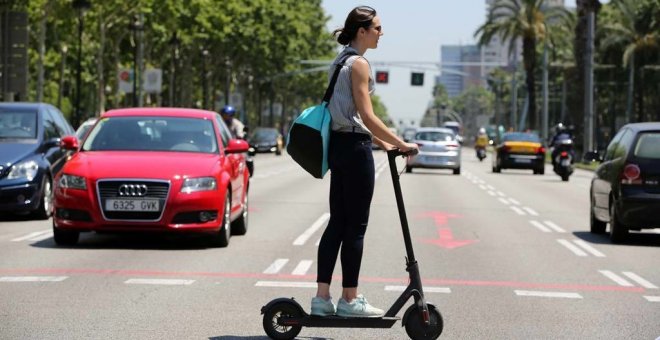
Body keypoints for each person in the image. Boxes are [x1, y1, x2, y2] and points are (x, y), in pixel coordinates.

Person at [311, 6, 418, 318]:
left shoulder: (339, 60)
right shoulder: (359, 64)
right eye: (377, 28)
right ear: (362, 31)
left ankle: (321, 299)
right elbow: (367, 116)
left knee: (337, 224)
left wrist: (384, 143)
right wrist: (401, 143)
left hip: (339, 147)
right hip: (356, 152)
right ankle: (350, 299)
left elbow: (348, 116)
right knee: (355, 227)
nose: (381, 33)